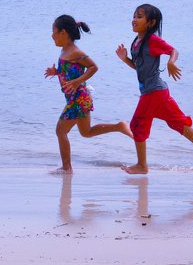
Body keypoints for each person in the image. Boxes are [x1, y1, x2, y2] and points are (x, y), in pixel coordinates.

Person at [115, 3, 193, 174]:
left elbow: (173, 50)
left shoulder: (153, 40)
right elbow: (139, 67)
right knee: (176, 123)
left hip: (154, 92)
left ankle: (142, 165)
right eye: (134, 16)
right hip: (156, 92)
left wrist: (170, 62)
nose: (134, 20)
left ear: (151, 22)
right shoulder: (136, 42)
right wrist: (125, 59)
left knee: (137, 125)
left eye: (139, 17)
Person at [44, 14, 133, 174]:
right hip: (79, 98)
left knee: (60, 131)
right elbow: (70, 70)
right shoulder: (66, 51)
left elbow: (93, 67)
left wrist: (78, 81)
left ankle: (67, 168)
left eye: (54, 31)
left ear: (63, 33)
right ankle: (119, 126)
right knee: (86, 132)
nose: (52, 35)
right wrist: (57, 72)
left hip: (78, 99)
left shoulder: (75, 51)